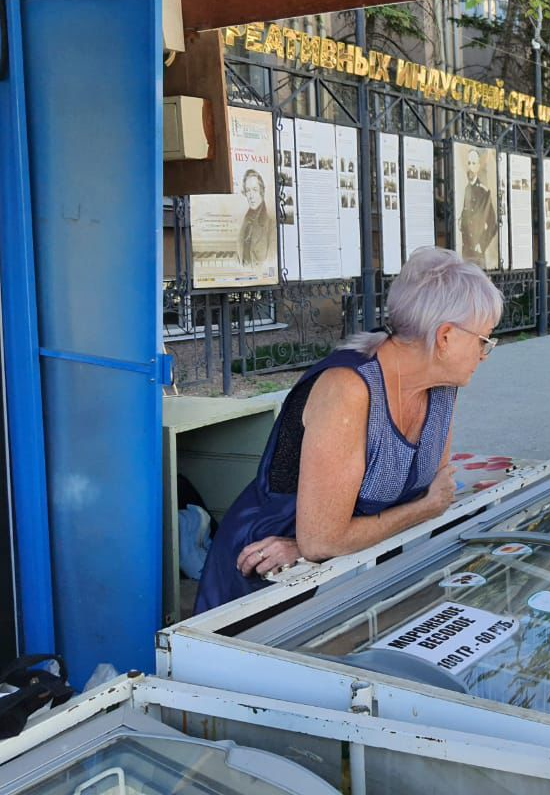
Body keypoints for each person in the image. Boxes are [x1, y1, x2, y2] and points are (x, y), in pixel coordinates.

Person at [195, 247, 503, 611]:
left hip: (347, 572)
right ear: (446, 337)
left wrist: (334, 542)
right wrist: (422, 510)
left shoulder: (442, 386)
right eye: (483, 340)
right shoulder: (349, 389)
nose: (485, 353)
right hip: (267, 578)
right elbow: (330, 538)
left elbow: (424, 490)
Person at [459, 147, 498, 268]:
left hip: (477, 254)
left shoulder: (483, 192)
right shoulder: (466, 189)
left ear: (478, 166)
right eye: (469, 163)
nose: (470, 167)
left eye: (473, 163)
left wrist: (481, 245)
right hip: (466, 252)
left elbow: (493, 224)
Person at [238, 169, 272, 267]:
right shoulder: (246, 222)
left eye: (255, 190)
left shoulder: (271, 224)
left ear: (262, 192)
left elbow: (271, 265)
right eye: (248, 191)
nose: (251, 196)